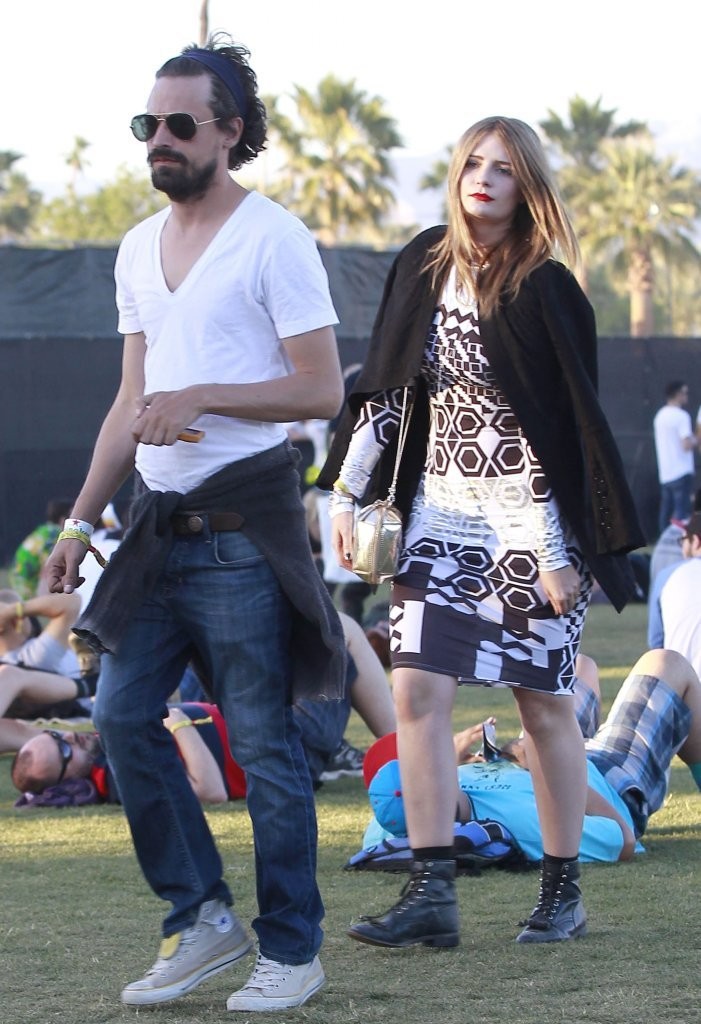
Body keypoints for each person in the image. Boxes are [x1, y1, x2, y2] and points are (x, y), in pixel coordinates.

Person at [43, 33, 345, 1014]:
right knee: (120, 718)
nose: (159, 140)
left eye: (180, 124)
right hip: (151, 532)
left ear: (230, 131)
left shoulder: (274, 238)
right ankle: (203, 916)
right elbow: (129, 400)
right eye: (148, 123)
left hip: (241, 532)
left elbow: (322, 388)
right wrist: (78, 523)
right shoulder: (137, 247)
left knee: (262, 748)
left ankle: (292, 949)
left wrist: (205, 395)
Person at [318, 115, 644, 949]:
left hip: (533, 530)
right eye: (472, 163)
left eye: (502, 167)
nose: (483, 178)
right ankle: (430, 891)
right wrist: (345, 494)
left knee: (543, 708)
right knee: (415, 691)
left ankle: (561, 891)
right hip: (437, 518)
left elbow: (557, 430)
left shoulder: (546, 286)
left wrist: (553, 552)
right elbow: (384, 390)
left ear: (525, 184)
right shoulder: (423, 263)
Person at [359, 649, 701, 870]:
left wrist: (459, 761)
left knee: (576, 666)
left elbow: (404, 803)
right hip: (604, 779)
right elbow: (622, 839)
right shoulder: (529, 826)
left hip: (534, 752)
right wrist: (537, 766)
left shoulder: (386, 826)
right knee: (666, 663)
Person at [0, 590, 98, 720]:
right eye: (25, 615)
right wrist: (14, 610)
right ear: (17, 621)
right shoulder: (33, 656)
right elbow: (72, 602)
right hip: (89, 715)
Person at [647, 512, 701, 676]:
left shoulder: (668, 576)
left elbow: (656, 643)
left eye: (683, 540)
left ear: (696, 541)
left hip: (681, 682)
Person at [653, 380, 697, 534]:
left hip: (666, 472)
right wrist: (697, 439)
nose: (686, 396)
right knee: (681, 512)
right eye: (684, 393)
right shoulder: (681, 416)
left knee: (666, 512)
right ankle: (678, 541)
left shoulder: (659, 416)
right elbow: (686, 444)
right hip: (681, 471)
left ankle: (664, 541)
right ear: (677, 394)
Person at [8, 498, 73, 599]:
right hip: (27, 582)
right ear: (62, 519)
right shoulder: (54, 534)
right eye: (71, 518)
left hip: (19, 576)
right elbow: (48, 567)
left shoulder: (45, 530)